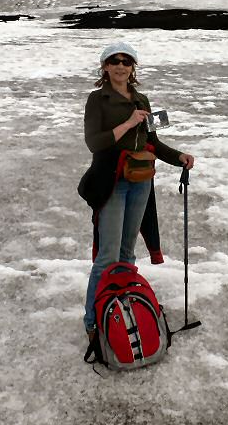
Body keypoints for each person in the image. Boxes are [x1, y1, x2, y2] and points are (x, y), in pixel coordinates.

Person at [78, 41, 194, 338]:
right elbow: (95, 142)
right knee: (107, 255)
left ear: (133, 67)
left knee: (127, 252)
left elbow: (151, 142)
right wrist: (129, 122)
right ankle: (93, 319)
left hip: (140, 180)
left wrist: (177, 156)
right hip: (112, 181)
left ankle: (120, 302)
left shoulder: (142, 98)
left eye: (126, 61)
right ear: (105, 67)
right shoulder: (97, 99)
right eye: (114, 61)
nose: (120, 66)